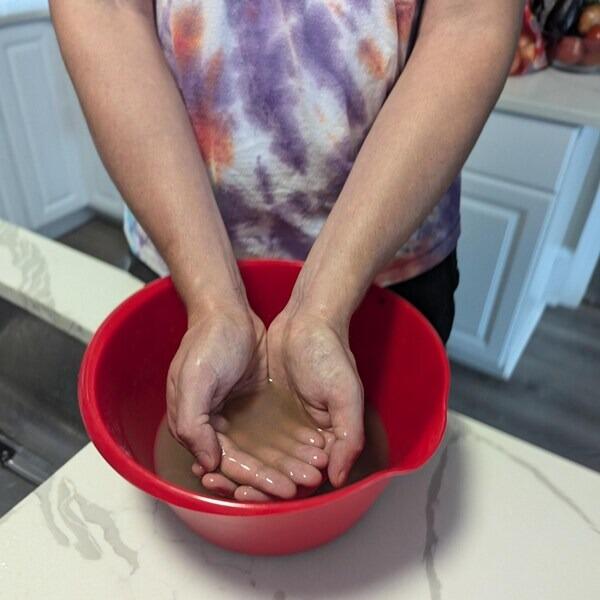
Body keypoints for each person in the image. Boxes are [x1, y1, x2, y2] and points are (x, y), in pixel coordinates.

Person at [50, 0, 523, 501]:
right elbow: (106, 12)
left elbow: (469, 22)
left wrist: (320, 310)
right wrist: (213, 302)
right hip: (185, 248)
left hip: (390, 255)